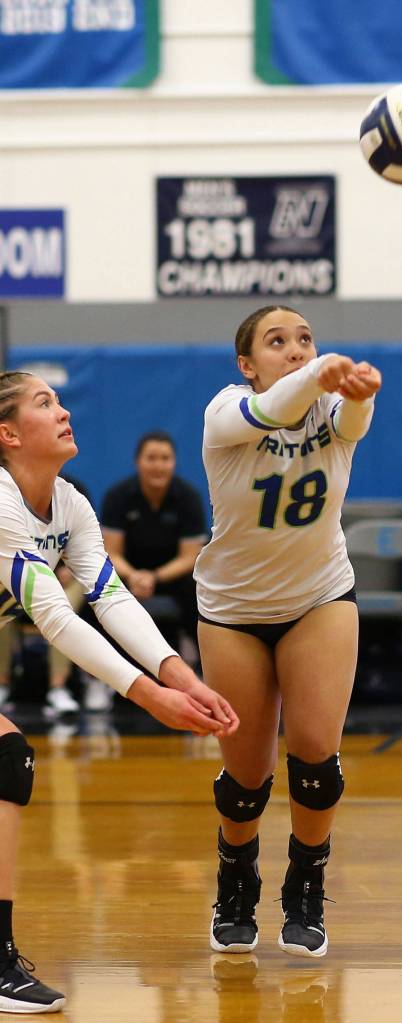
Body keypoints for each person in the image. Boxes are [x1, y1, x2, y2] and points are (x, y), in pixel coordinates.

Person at [0, 371, 238, 1013]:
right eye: (45, 403)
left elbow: (109, 596)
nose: (65, 410)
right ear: (9, 433)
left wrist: (180, 677)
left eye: (61, 400)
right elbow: (51, 616)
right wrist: (148, 697)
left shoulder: (71, 503)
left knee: (4, 760)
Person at [194, 305, 381, 958]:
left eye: (306, 339)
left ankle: (306, 881)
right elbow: (269, 412)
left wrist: (358, 392)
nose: (297, 349)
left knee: (315, 760)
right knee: (245, 778)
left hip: (319, 598)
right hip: (234, 611)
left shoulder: (328, 410)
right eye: (278, 342)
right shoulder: (225, 410)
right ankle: (235, 876)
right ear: (247, 364)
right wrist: (320, 374)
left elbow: (354, 422)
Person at [100, 431, 206, 699]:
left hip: (172, 577)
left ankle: (204, 675)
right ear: (138, 462)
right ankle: (98, 680)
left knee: (200, 593)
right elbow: (110, 551)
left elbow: (190, 556)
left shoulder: (188, 497)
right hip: (128, 574)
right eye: (151, 458)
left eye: (165, 458)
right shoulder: (118, 496)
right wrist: (135, 576)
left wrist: (154, 578)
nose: (158, 465)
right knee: (97, 592)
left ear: (174, 462)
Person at [0, 474, 91, 716]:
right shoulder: (6, 491)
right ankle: (2, 683)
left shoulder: (74, 494)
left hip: (63, 579)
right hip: (17, 575)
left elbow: (86, 552)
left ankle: (58, 688)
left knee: (65, 603)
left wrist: (66, 569)